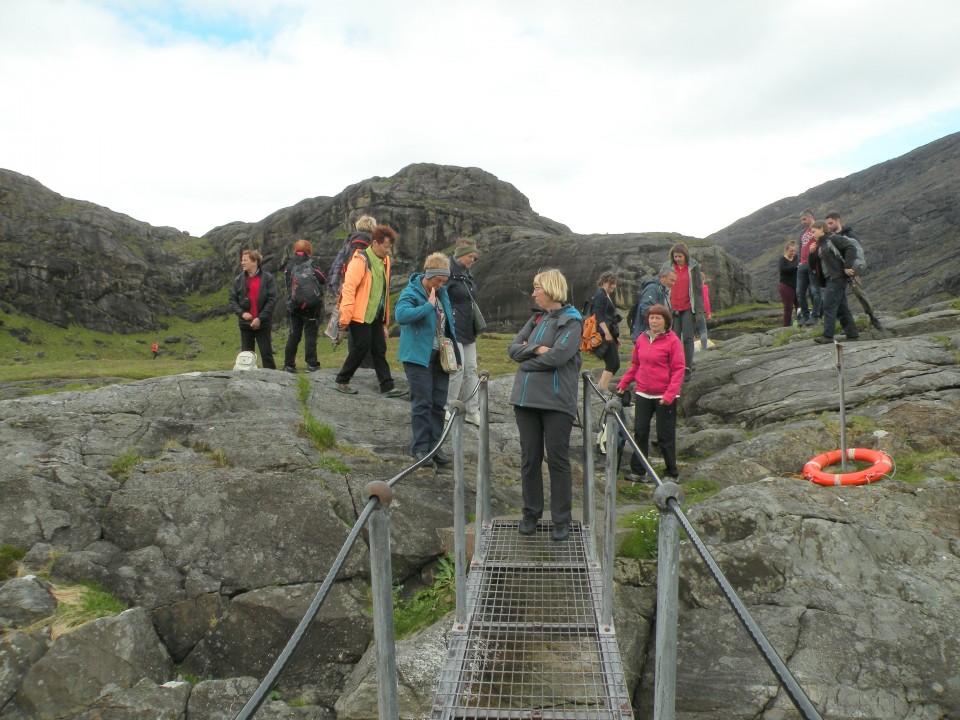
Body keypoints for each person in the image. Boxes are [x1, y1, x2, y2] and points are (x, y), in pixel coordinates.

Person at [509, 269, 582, 541]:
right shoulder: (536, 318)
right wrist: (538, 349)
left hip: (556, 403)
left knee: (558, 461)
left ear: (551, 289)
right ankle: (531, 514)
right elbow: (513, 348)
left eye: (537, 288)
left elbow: (560, 357)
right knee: (529, 460)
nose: (533, 293)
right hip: (525, 402)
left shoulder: (572, 321)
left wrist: (526, 363)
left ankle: (562, 520)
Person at [396, 253, 461, 467]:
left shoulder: (442, 293)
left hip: (440, 357)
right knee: (422, 402)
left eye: (444, 281)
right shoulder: (411, 292)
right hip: (417, 357)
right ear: (428, 275)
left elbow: (448, 324)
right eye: (438, 280)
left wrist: (456, 356)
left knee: (438, 403)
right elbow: (401, 316)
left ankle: (435, 447)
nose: (441, 285)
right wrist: (427, 306)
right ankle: (420, 448)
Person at [333, 225, 408, 397]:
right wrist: (345, 318)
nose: (389, 251)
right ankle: (342, 380)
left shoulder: (385, 262)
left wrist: (384, 323)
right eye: (386, 247)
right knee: (361, 346)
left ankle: (387, 387)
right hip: (358, 314)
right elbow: (349, 289)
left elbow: (383, 292)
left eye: (390, 247)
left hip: (375, 314)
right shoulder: (359, 261)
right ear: (375, 243)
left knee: (379, 348)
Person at [616, 304, 685, 483]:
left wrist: (669, 395)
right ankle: (639, 471)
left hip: (665, 396)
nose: (653, 321)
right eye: (651, 317)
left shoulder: (673, 341)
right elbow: (635, 365)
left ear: (666, 321)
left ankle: (671, 473)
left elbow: (678, 370)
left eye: (658, 318)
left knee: (665, 435)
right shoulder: (641, 338)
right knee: (640, 432)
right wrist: (624, 383)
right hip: (643, 393)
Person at [445, 239, 482, 426]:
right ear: (460, 255)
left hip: (468, 328)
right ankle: (448, 406)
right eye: (470, 256)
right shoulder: (448, 273)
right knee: (457, 368)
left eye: (474, 257)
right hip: (452, 328)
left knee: (471, 368)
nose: (472, 259)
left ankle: (472, 410)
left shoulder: (467, 274)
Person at [825, 212, 883, 330]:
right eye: (827, 224)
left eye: (831, 223)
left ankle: (873, 318)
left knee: (860, 294)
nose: (829, 226)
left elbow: (856, 250)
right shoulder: (829, 237)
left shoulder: (849, 234)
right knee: (840, 299)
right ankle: (847, 326)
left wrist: (853, 269)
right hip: (838, 272)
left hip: (850, 269)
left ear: (838, 221)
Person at [809, 221, 859, 344]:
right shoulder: (820, 245)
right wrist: (811, 253)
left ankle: (828, 336)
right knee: (842, 308)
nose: (812, 235)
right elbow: (812, 265)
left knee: (828, 305)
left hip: (837, 278)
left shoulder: (833, 239)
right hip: (831, 279)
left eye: (813, 232)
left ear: (821, 229)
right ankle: (852, 335)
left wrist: (847, 266)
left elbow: (851, 248)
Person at [228, 249, 278, 369]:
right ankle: (247, 384)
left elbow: (272, 300)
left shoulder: (267, 278)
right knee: (246, 356)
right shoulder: (239, 280)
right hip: (245, 324)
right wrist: (242, 313)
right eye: (242, 260)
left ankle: (272, 382)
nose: (242, 263)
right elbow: (232, 299)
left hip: (263, 323)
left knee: (266, 354)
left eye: (245, 260)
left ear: (255, 261)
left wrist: (260, 318)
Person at [282, 238, 326, 373]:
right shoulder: (312, 263)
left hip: (294, 306)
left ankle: (289, 365)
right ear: (309, 251)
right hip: (311, 306)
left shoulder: (288, 266)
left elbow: (287, 285)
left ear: (296, 250)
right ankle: (312, 364)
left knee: (294, 335)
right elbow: (323, 280)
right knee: (310, 334)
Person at [668, 243, 705, 378]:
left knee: (688, 338)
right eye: (675, 256)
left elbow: (698, 290)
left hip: (688, 307)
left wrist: (700, 311)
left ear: (685, 255)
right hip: (673, 309)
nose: (677, 258)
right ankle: (676, 367)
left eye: (680, 256)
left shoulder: (693, 268)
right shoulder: (669, 268)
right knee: (674, 339)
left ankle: (688, 367)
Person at [588, 271, 621, 390]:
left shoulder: (605, 295)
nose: (614, 286)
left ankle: (601, 388)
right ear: (606, 282)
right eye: (613, 283)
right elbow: (598, 314)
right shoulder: (600, 295)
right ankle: (601, 389)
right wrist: (606, 332)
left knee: (614, 364)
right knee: (612, 363)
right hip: (603, 333)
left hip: (609, 332)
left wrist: (615, 336)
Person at [628, 263, 675, 342]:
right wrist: (656, 326)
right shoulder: (652, 289)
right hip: (648, 336)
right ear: (662, 277)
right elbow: (645, 308)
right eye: (671, 280)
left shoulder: (663, 291)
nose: (673, 283)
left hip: (658, 335)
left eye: (674, 281)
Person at [796, 210, 822, 326]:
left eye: (804, 219)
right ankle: (805, 316)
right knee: (800, 293)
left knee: (815, 291)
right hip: (802, 265)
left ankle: (815, 316)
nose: (802, 222)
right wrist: (799, 262)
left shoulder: (818, 228)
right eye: (802, 220)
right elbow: (801, 248)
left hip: (813, 264)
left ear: (811, 217)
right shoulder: (803, 232)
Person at [779, 240, 800, 327]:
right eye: (791, 251)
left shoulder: (796, 258)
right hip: (786, 285)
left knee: (799, 306)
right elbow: (783, 269)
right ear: (786, 250)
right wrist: (795, 267)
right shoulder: (782, 259)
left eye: (794, 251)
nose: (793, 252)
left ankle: (800, 323)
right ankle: (786, 326)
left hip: (797, 285)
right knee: (788, 307)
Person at [696, 275, 712, 351]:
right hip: (699, 311)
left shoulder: (690, 287)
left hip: (689, 311)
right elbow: (706, 300)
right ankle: (704, 350)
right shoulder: (704, 287)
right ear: (703, 280)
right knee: (703, 331)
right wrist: (708, 313)